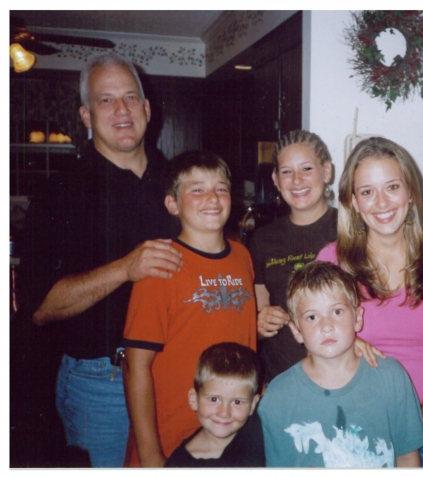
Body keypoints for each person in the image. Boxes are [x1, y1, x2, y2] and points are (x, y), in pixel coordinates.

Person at [20, 53, 182, 467]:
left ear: (147, 109)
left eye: (130, 97)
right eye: (106, 100)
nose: (122, 110)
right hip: (101, 383)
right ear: (87, 115)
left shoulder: (182, 184)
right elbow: (39, 308)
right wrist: (126, 269)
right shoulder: (60, 192)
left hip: (176, 371)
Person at [122, 150, 257, 467]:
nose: (212, 197)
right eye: (197, 189)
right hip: (171, 439)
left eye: (221, 188)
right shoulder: (160, 264)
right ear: (173, 203)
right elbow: (135, 366)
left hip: (232, 434)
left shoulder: (242, 256)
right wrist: (150, 454)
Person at [258, 261, 423, 468]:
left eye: (337, 312)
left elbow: (408, 458)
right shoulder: (277, 397)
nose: (326, 326)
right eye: (312, 317)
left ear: (358, 318)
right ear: (296, 331)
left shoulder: (392, 377)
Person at [317, 137, 423, 402]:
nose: (382, 203)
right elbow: (309, 339)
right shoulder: (331, 261)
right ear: (355, 203)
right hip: (356, 417)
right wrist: (341, 346)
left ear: (411, 193)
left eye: (392, 187)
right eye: (367, 192)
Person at [249, 130, 337, 383]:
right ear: (276, 179)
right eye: (287, 171)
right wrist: (260, 324)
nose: (296, 180)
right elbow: (257, 315)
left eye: (307, 169)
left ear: (327, 172)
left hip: (338, 374)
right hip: (280, 379)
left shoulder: (351, 229)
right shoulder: (262, 240)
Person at [164, 342, 265, 467]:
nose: (224, 413)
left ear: (253, 404)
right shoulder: (179, 465)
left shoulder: (260, 430)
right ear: (194, 399)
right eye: (213, 399)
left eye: (237, 402)